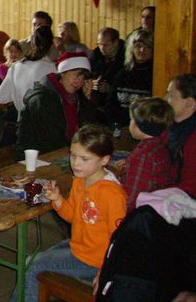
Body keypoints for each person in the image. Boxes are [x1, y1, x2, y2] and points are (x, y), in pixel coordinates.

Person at [12, 125, 127, 302]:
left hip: (95, 261)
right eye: (73, 155)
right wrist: (58, 199)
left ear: (104, 160)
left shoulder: (111, 194)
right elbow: (73, 216)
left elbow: (120, 239)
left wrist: (106, 270)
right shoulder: (81, 180)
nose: (75, 163)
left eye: (84, 158)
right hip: (80, 247)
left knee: (33, 265)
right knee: (33, 260)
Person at [16, 52, 100, 160]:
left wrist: (87, 99)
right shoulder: (43, 99)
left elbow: (88, 130)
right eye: (76, 74)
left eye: (83, 77)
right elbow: (52, 139)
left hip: (62, 152)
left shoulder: (76, 97)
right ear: (63, 73)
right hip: (38, 157)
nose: (79, 81)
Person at [120, 97, 175, 211]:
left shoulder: (143, 156)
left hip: (137, 213)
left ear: (139, 126)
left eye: (131, 120)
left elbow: (130, 198)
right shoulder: (159, 146)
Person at [0, 26, 56, 113]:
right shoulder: (53, 69)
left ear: (32, 44)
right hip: (45, 119)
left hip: (22, 118)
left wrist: (15, 93)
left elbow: (0, 98)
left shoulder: (15, 67)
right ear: (51, 46)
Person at [106, 29, 153, 126]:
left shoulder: (154, 76)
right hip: (121, 126)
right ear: (132, 48)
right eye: (138, 46)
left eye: (147, 47)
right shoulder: (122, 74)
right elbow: (111, 104)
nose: (142, 50)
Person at [165, 74, 196, 197]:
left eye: (171, 95)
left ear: (189, 103)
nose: (165, 99)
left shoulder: (192, 138)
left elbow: (190, 185)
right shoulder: (170, 127)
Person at [89, 27, 125, 108]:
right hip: (98, 103)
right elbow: (88, 75)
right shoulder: (96, 55)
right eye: (99, 44)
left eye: (105, 45)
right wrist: (92, 83)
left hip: (119, 105)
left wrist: (111, 89)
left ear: (116, 43)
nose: (102, 48)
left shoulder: (126, 58)